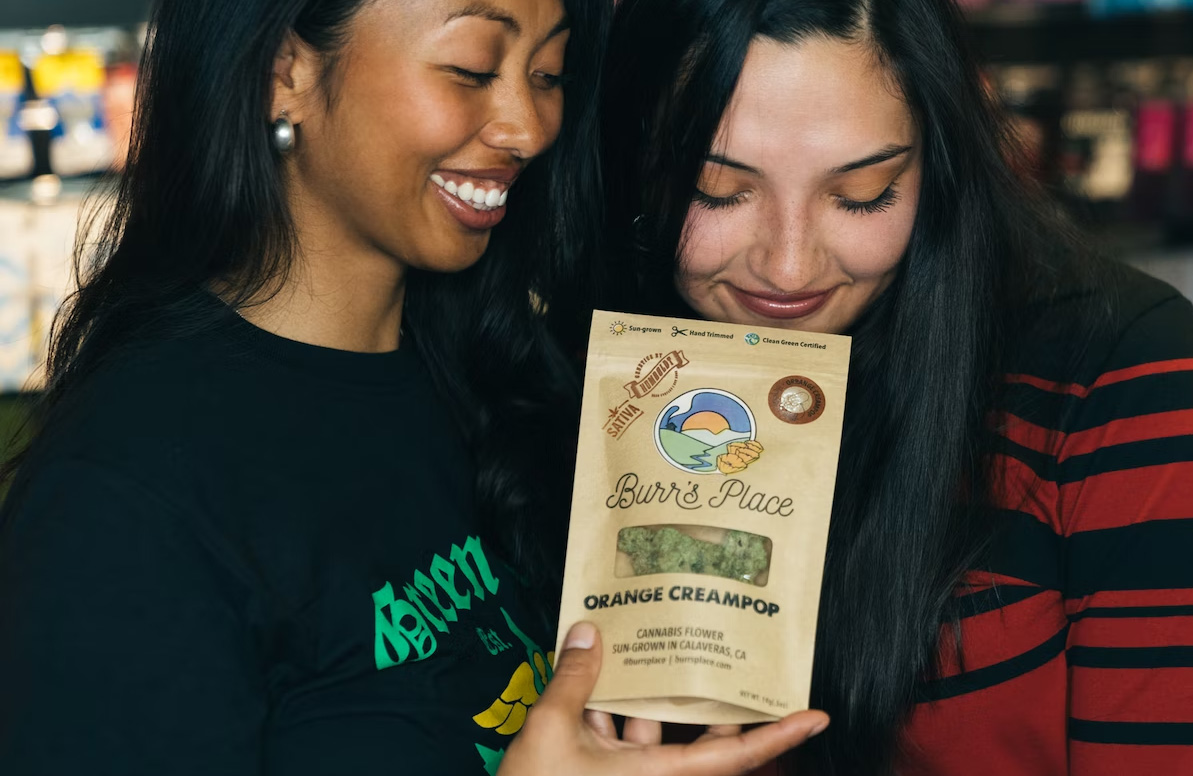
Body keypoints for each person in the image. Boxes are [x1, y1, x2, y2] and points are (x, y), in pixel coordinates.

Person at [0, 0, 826, 773]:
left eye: (548, 75)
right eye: (471, 68)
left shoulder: (496, 376)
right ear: (284, 69)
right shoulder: (123, 502)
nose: (528, 127)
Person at [590, 0, 1193, 774]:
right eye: (717, 191)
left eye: (863, 193)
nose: (788, 266)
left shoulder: (1114, 375)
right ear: (631, 160)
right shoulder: (583, 361)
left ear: (937, 162)